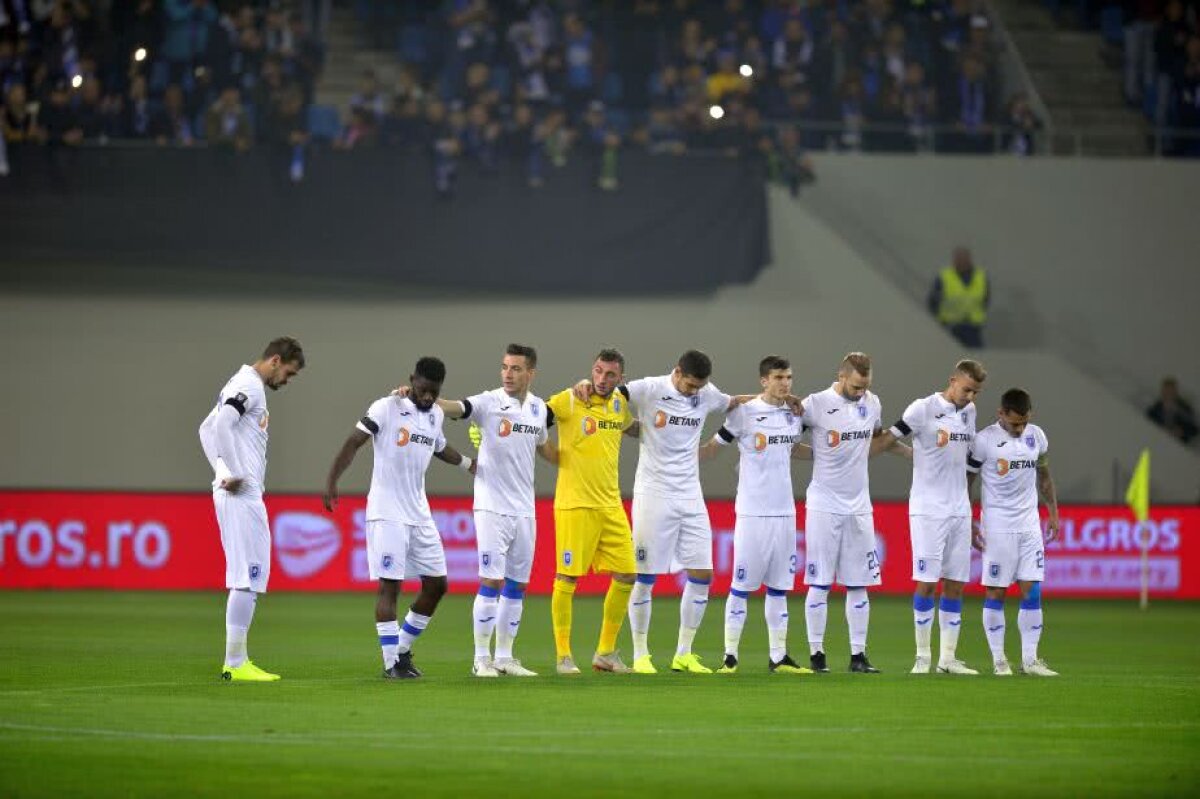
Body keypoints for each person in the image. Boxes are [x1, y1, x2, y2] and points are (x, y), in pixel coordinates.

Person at [586, 350, 763, 675]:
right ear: (677, 373)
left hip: (690, 494)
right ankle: (641, 653)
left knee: (702, 574)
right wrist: (586, 386)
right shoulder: (649, 388)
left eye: (700, 387)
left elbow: (733, 402)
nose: (695, 392)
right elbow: (611, 393)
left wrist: (774, 399)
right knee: (645, 575)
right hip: (653, 493)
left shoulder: (706, 394)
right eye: (691, 385)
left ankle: (684, 653)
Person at [399, 344, 555, 677]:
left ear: (531, 373)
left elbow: (544, 447)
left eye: (515, 368)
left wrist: (575, 461)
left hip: (525, 508)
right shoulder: (488, 402)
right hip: (492, 506)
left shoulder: (539, 409)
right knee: (491, 580)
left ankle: (504, 657)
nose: (508, 374)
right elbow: (454, 407)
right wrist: (416, 395)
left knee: (517, 584)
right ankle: (480, 659)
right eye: (504, 367)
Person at [323, 357, 475, 680]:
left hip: (419, 513)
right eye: (423, 390)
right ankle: (392, 663)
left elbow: (439, 447)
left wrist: (468, 464)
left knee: (438, 585)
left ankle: (401, 650)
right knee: (390, 587)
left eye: (434, 392)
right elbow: (354, 442)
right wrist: (332, 480)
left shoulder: (434, 416)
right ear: (411, 380)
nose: (428, 398)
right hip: (386, 511)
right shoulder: (386, 407)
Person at [198, 336, 306, 682]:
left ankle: (238, 659)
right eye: (287, 374)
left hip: (240, 492)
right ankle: (235, 662)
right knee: (249, 576)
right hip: (241, 495)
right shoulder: (250, 385)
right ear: (275, 361)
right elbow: (219, 425)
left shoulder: (241, 382)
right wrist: (230, 472)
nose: (286, 382)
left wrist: (221, 470)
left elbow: (206, 428)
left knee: (248, 576)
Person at [699, 355, 811, 675]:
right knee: (742, 585)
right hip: (752, 513)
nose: (785, 383)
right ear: (764, 381)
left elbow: (792, 448)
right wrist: (680, 455)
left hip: (785, 513)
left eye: (788, 377)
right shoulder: (744, 414)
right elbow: (713, 446)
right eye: (778, 377)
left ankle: (779, 656)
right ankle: (730, 656)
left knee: (779, 587)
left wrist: (830, 455)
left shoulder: (793, 415)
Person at [876, 359, 987, 675]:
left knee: (955, 584)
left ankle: (947, 659)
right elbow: (888, 439)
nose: (970, 397)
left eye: (976, 392)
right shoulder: (922, 409)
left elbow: (966, 465)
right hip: (928, 508)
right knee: (926, 582)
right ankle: (922, 657)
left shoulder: (969, 413)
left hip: (959, 510)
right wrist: (906, 454)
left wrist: (969, 510)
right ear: (953, 380)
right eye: (967, 389)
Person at [800, 352, 907, 674]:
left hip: (859, 506)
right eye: (857, 386)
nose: (861, 392)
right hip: (824, 505)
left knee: (859, 582)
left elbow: (876, 439)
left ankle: (858, 656)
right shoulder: (814, 404)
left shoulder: (872, 403)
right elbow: (786, 439)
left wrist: (915, 455)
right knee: (819, 582)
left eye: (866, 386)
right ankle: (817, 654)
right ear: (842, 376)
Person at [545, 348, 641, 676]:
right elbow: (534, 421)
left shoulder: (619, 405)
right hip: (576, 505)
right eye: (598, 371)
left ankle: (605, 654)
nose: (601, 379)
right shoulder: (569, 400)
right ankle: (563, 657)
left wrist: (671, 429)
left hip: (611, 505)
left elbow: (632, 428)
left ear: (621, 378)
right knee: (567, 577)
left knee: (628, 574)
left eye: (610, 374)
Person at [967, 388, 1059, 677]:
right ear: (1001, 414)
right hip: (998, 527)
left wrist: (1053, 513)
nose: (1019, 429)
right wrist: (970, 521)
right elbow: (966, 482)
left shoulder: (1037, 436)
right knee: (996, 591)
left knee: (1032, 589)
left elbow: (1044, 477)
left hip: (1030, 525)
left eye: (1024, 422)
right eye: (1014, 423)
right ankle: (999, 660)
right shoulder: (984, 441)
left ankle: (1030, 661)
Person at [927, 245, 989, 349]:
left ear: (969, 259)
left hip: (972, 327)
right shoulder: (944, 276)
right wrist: (941, 317)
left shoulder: (981, 276)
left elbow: (986, 299)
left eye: (964, 258)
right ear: (954, 260)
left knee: (975, 359)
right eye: (958, 258)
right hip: (950, 326)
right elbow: (933, 301)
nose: (961, 261)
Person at [1146, 376, 1198, 445]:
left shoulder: (1185, 408)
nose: (1168, 394)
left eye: (1171, 391)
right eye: (1166, 391)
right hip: (1157, 442)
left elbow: (1194, 429)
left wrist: (1182, 432)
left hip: (1178, 446)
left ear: (1175, 392)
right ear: (1162, 392)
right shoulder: (1155, 409)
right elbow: (1147, 422)